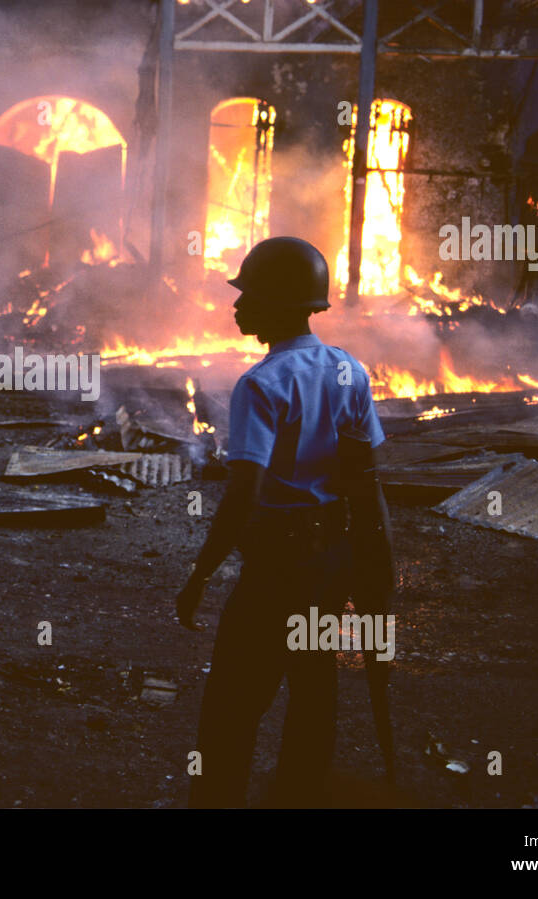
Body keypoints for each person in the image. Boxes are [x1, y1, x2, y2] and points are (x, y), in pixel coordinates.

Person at [175, 236, 390, 808]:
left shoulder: (261, 385)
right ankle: (297, 796)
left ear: (282, 306)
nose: (237, 306)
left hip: (278, 568)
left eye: (249, 296)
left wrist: (200, 575)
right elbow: (366, 480)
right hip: (330, 560)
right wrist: (374, 566)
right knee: (313, 690)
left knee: (232, 704)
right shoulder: (350, 370)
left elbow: (243, 494)